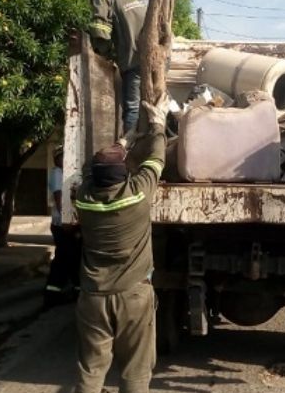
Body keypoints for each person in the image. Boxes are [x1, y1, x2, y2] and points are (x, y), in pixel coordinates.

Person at [73, 94, 170, 393]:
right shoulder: (138, 195)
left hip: (93, 297)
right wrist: (158, 125)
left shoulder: (84, 199)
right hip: (132, 296)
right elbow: (156, 159)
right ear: (125, 174)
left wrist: (125, 141)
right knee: (136, 369)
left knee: (91, 368)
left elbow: (93, 169)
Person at [87, 0, 148, 134]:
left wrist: (104, 54)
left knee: (133, 107)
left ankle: (130, 152)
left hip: (134, 56)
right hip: (160, 54)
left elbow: (100, 29)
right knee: (158, 101)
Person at [42, 146, 82, 310]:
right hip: (62, 225)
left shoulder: (62, 174)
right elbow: (60, 200)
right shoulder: (58, 174)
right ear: (57, 159)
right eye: (62, 157)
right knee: (64, 259)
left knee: (71, 258)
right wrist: (68, 222)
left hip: (65, 224)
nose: (65, 160)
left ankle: (73, 290)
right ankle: (52, 295)